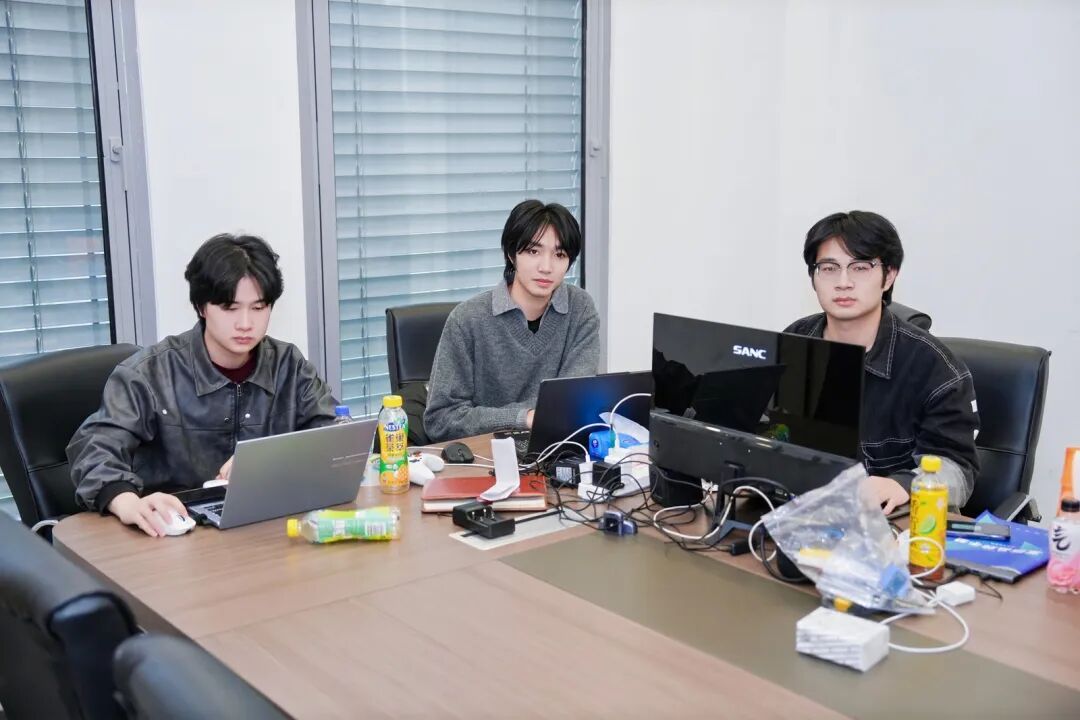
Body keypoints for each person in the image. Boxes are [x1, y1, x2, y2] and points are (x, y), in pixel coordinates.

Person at [68, 233, 338, 537]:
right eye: (230, 308)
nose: (246, 323)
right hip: (171, 535)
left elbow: (334, 433)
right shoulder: (149, 374)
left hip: (262, 528)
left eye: (258, 307)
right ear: (201, 307)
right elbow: (94, 449)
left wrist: (269, 460)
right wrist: (128, 502)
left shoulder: (288, 365)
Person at [784, 211, 979, 512]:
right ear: (813, 277)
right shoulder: (795, 342)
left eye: (860, 267)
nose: (843, 282)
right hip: (809, 511)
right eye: (829, 268)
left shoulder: (934, 366)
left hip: (893, 524)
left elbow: (959, 471)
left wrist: (902, 484)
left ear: (889, 276)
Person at [424, 200, 600, 442]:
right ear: (511, 254)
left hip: (556, 452)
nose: (546, 267)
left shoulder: (580, 309)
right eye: (533, 251)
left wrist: (541, 417)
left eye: (559, 255)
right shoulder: (467, 320)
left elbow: (572, 406)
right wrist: (524, 418)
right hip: (483, 456)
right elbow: (441, 419)